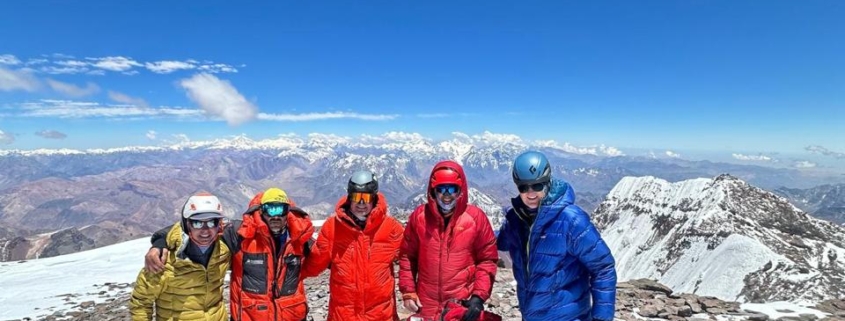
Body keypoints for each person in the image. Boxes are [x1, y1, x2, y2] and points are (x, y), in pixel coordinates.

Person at [145, 187, 315, 321]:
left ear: (288, 212)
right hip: (249, 317)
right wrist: (160, 241)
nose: (275, 215)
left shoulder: (300, 238)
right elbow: (199, 227)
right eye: (270, 209)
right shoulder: (239, 233)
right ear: (261, 210)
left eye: (280, 209)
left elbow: (325, 254)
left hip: (292, 316)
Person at [496, 151, 617, 321]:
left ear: (547, 182)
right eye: (524, 187)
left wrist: (601, 318)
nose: (531, 194)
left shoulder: (572, 220)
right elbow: (498, 242)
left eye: (537, 186)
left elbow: (603, 268)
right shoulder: (515, 220)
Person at [398, 160, 499, 321]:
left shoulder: (475, 218)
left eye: (452, 189)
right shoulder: (419, 218)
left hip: (460, 305)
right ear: (433, 191)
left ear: (460, 190)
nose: (446, 195)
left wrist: (478, 297)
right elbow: (407, 257)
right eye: (441, 189)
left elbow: (487, 260)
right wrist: (408, 291)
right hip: (425, 305)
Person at [302, 170, 405, 321]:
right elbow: (314, 264)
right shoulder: (333, 227)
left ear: (374, 198)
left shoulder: (391, 228)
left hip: (380, 315)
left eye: (366, 197)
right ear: (349, 197)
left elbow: (410, 258)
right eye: (357, 197)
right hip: (343, 316)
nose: (361, 203)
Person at [129, 192, 230, 321]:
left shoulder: (223, 252)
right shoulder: (163, 261)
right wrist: (159, 243)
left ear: (219, 225)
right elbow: (141, 303)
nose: (205, 230)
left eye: (212, 222)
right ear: (187, 224)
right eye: (197, 223)